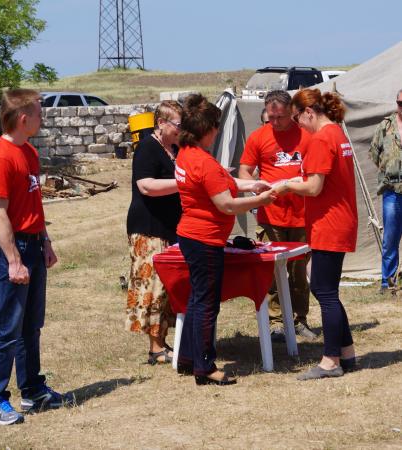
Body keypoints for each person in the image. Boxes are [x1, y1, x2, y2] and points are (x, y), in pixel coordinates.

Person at [0, 89, 71, 426]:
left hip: (33, 244)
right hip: (12, 248)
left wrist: (45, 240)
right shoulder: (0, 157)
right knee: (8, 327)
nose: (42, 117)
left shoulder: (28, 152)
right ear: (23, 119)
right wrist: (14, 260)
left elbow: (34, 203)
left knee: (32, 325)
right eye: (38, 112)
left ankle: (33, 390)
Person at [175, 94, 276, 386]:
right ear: (206, 128)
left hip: (193, 235)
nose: (218, 131)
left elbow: (220, 183)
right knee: (207, 303)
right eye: (216, 126)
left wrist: (251, 184)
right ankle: (204, 366)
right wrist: (261, 199)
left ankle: (188, 357)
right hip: (204, 239)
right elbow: (227, 204)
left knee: (196, 298)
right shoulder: (203, 162)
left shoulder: (187, 154)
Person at [280, 88, 357, 380]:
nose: (298, 125)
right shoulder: (336, 133)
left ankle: (330, 360)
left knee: (324, 291)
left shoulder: (322, 139)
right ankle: (346, 353)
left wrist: (286, 185)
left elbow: (314, 187)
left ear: (308, 112)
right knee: (328, 291)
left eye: (298, 119)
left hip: (329, 224)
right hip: (338, 221)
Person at [238, 90, 316, 342]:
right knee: (271, 271)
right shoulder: (259, 137)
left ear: (291, 112)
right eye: (270, 117)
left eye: (280, 117)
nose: (275, 122)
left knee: (298, 272)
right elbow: (245, 170)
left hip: (302, 216)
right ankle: (275, 322)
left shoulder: (307, 135)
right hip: (270, 216)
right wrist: (256, 189)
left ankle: (299, 319)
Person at [126, 100, 183, 365]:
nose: (182, 131)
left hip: (170, 227)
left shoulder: (175, 148)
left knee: (168, 288)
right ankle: (156, 348)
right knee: (153, 288)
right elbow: (146, 185)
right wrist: (182, 183)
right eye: (178, 125)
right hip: (149, 229)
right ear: (162, 123)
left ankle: (162, 343)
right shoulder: (148, 148)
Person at [369, 90, 402, 295]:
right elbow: (374, 152)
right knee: (390, 238)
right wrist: (388, 168)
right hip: (392, 190)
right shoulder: (385, 126)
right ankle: (387, 282)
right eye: (400, 102)